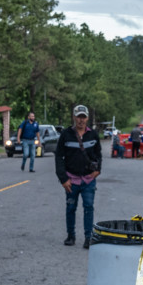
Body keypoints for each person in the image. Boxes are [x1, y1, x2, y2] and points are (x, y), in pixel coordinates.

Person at [55, 104, 102, 249]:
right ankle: (71, 235)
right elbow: (59, 157)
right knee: (70, 208)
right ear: (74, 117)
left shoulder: (93, 134)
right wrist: (63, 179)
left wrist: (98, 170)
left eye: (84, 117)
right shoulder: (66, 135)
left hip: (88, 180)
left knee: (88, 207)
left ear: (87, 118)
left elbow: (98, 154)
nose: (81, 120)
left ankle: (88, 237)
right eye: (78, 117)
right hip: (71, 180)